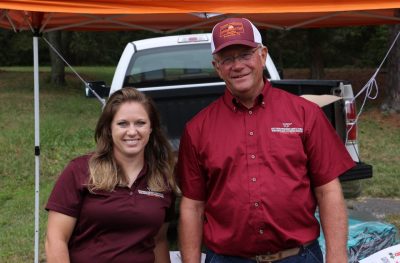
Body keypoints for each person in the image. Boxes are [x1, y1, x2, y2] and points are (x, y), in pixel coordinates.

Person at [177, 17, 355, 263]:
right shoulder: (198, 128)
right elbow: (192, 206)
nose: (237, 65)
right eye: (227, 59)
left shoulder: (305, 114)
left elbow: (328, 190)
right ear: (217, 66)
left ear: (262, 54)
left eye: (245, 54)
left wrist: (337, 256)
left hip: (298, 256)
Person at [45, 88, 177, 263]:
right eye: (122, 123)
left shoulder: (162, 181)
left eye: (140, 123)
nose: (132, 131)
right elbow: (55, 239)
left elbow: (158, 241)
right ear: (109, 128)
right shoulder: (80, 170)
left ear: (151, 128)